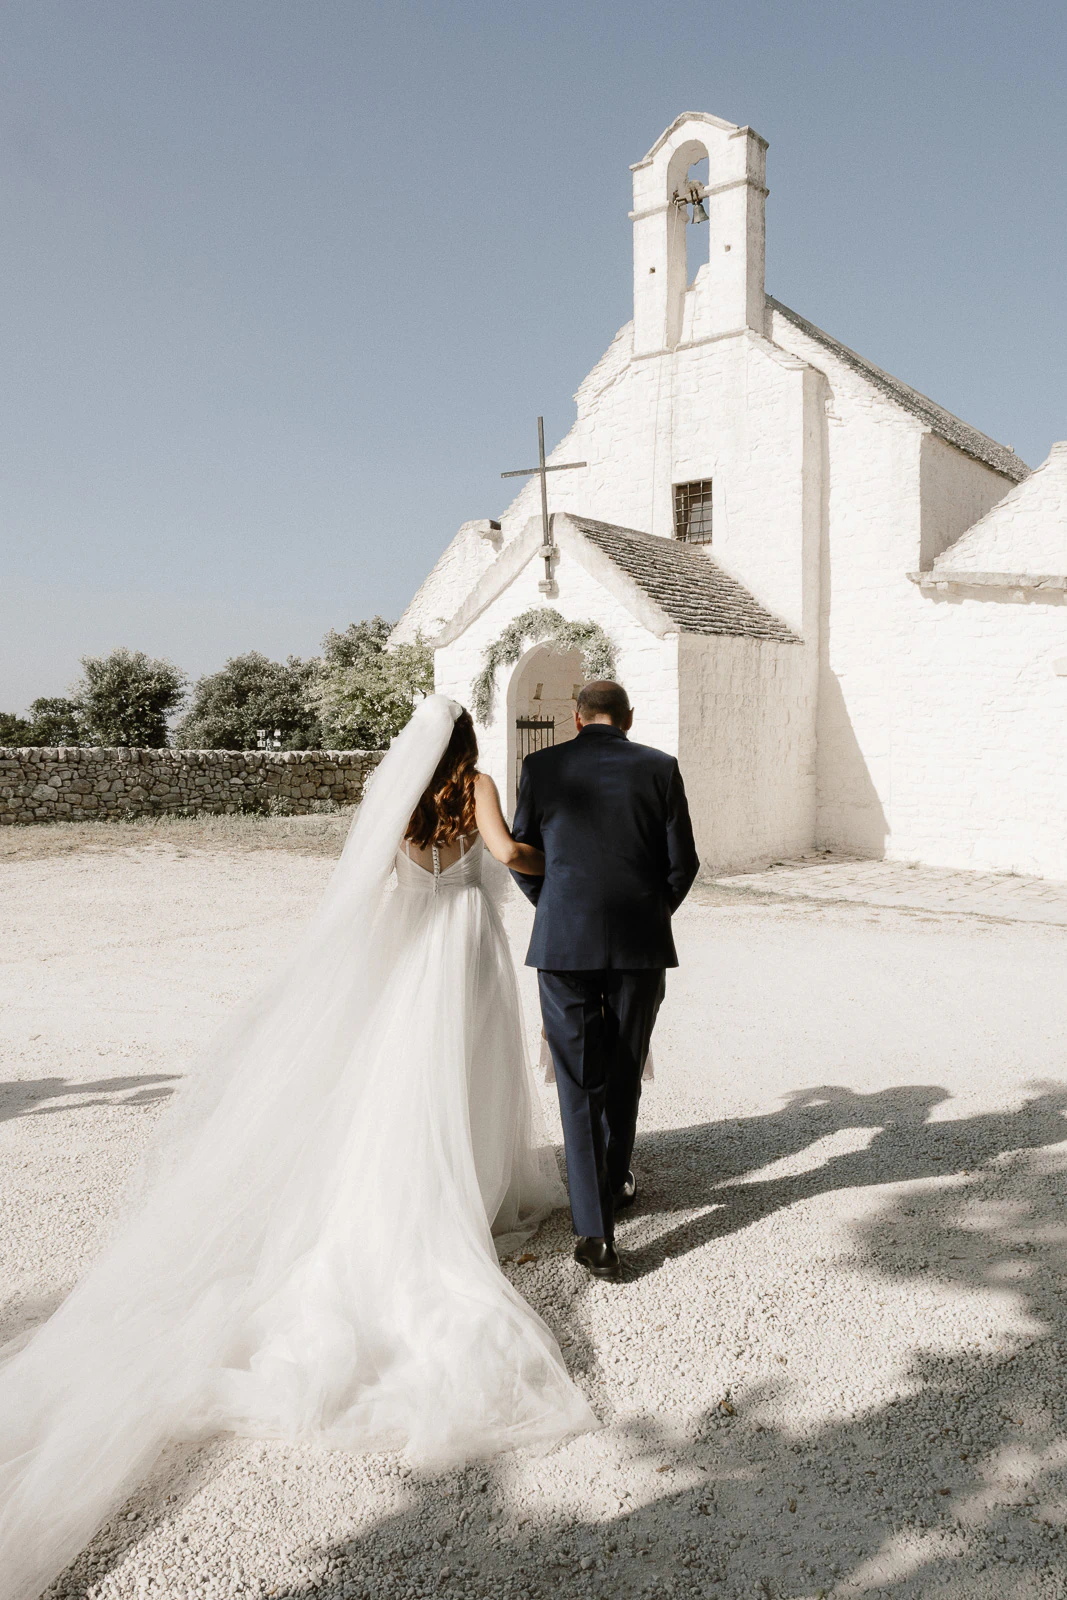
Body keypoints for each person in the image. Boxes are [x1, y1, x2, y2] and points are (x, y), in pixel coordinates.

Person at [0, 696, 595, 1600]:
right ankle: (470, 1196)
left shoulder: (391, 795)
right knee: (470, 1074)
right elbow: (508, 854)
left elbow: (362, 889)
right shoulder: (475, 783)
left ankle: (418, 1194)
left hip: (412, 950)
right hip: (466, 946)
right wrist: (568, 865)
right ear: (467, 743)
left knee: (406, 1083)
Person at [511, 680, 699, 1281]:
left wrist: (553, 907)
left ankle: (594, 1233)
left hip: (563, 943)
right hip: (640, 944)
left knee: (577, 1081)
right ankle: (615, 1181)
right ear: (628, 717)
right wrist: (650, 915)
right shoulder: (660, 767)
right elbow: (683, 864)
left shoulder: (541, 767)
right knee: (624, 1066)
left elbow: (522, 852)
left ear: (576, 718)